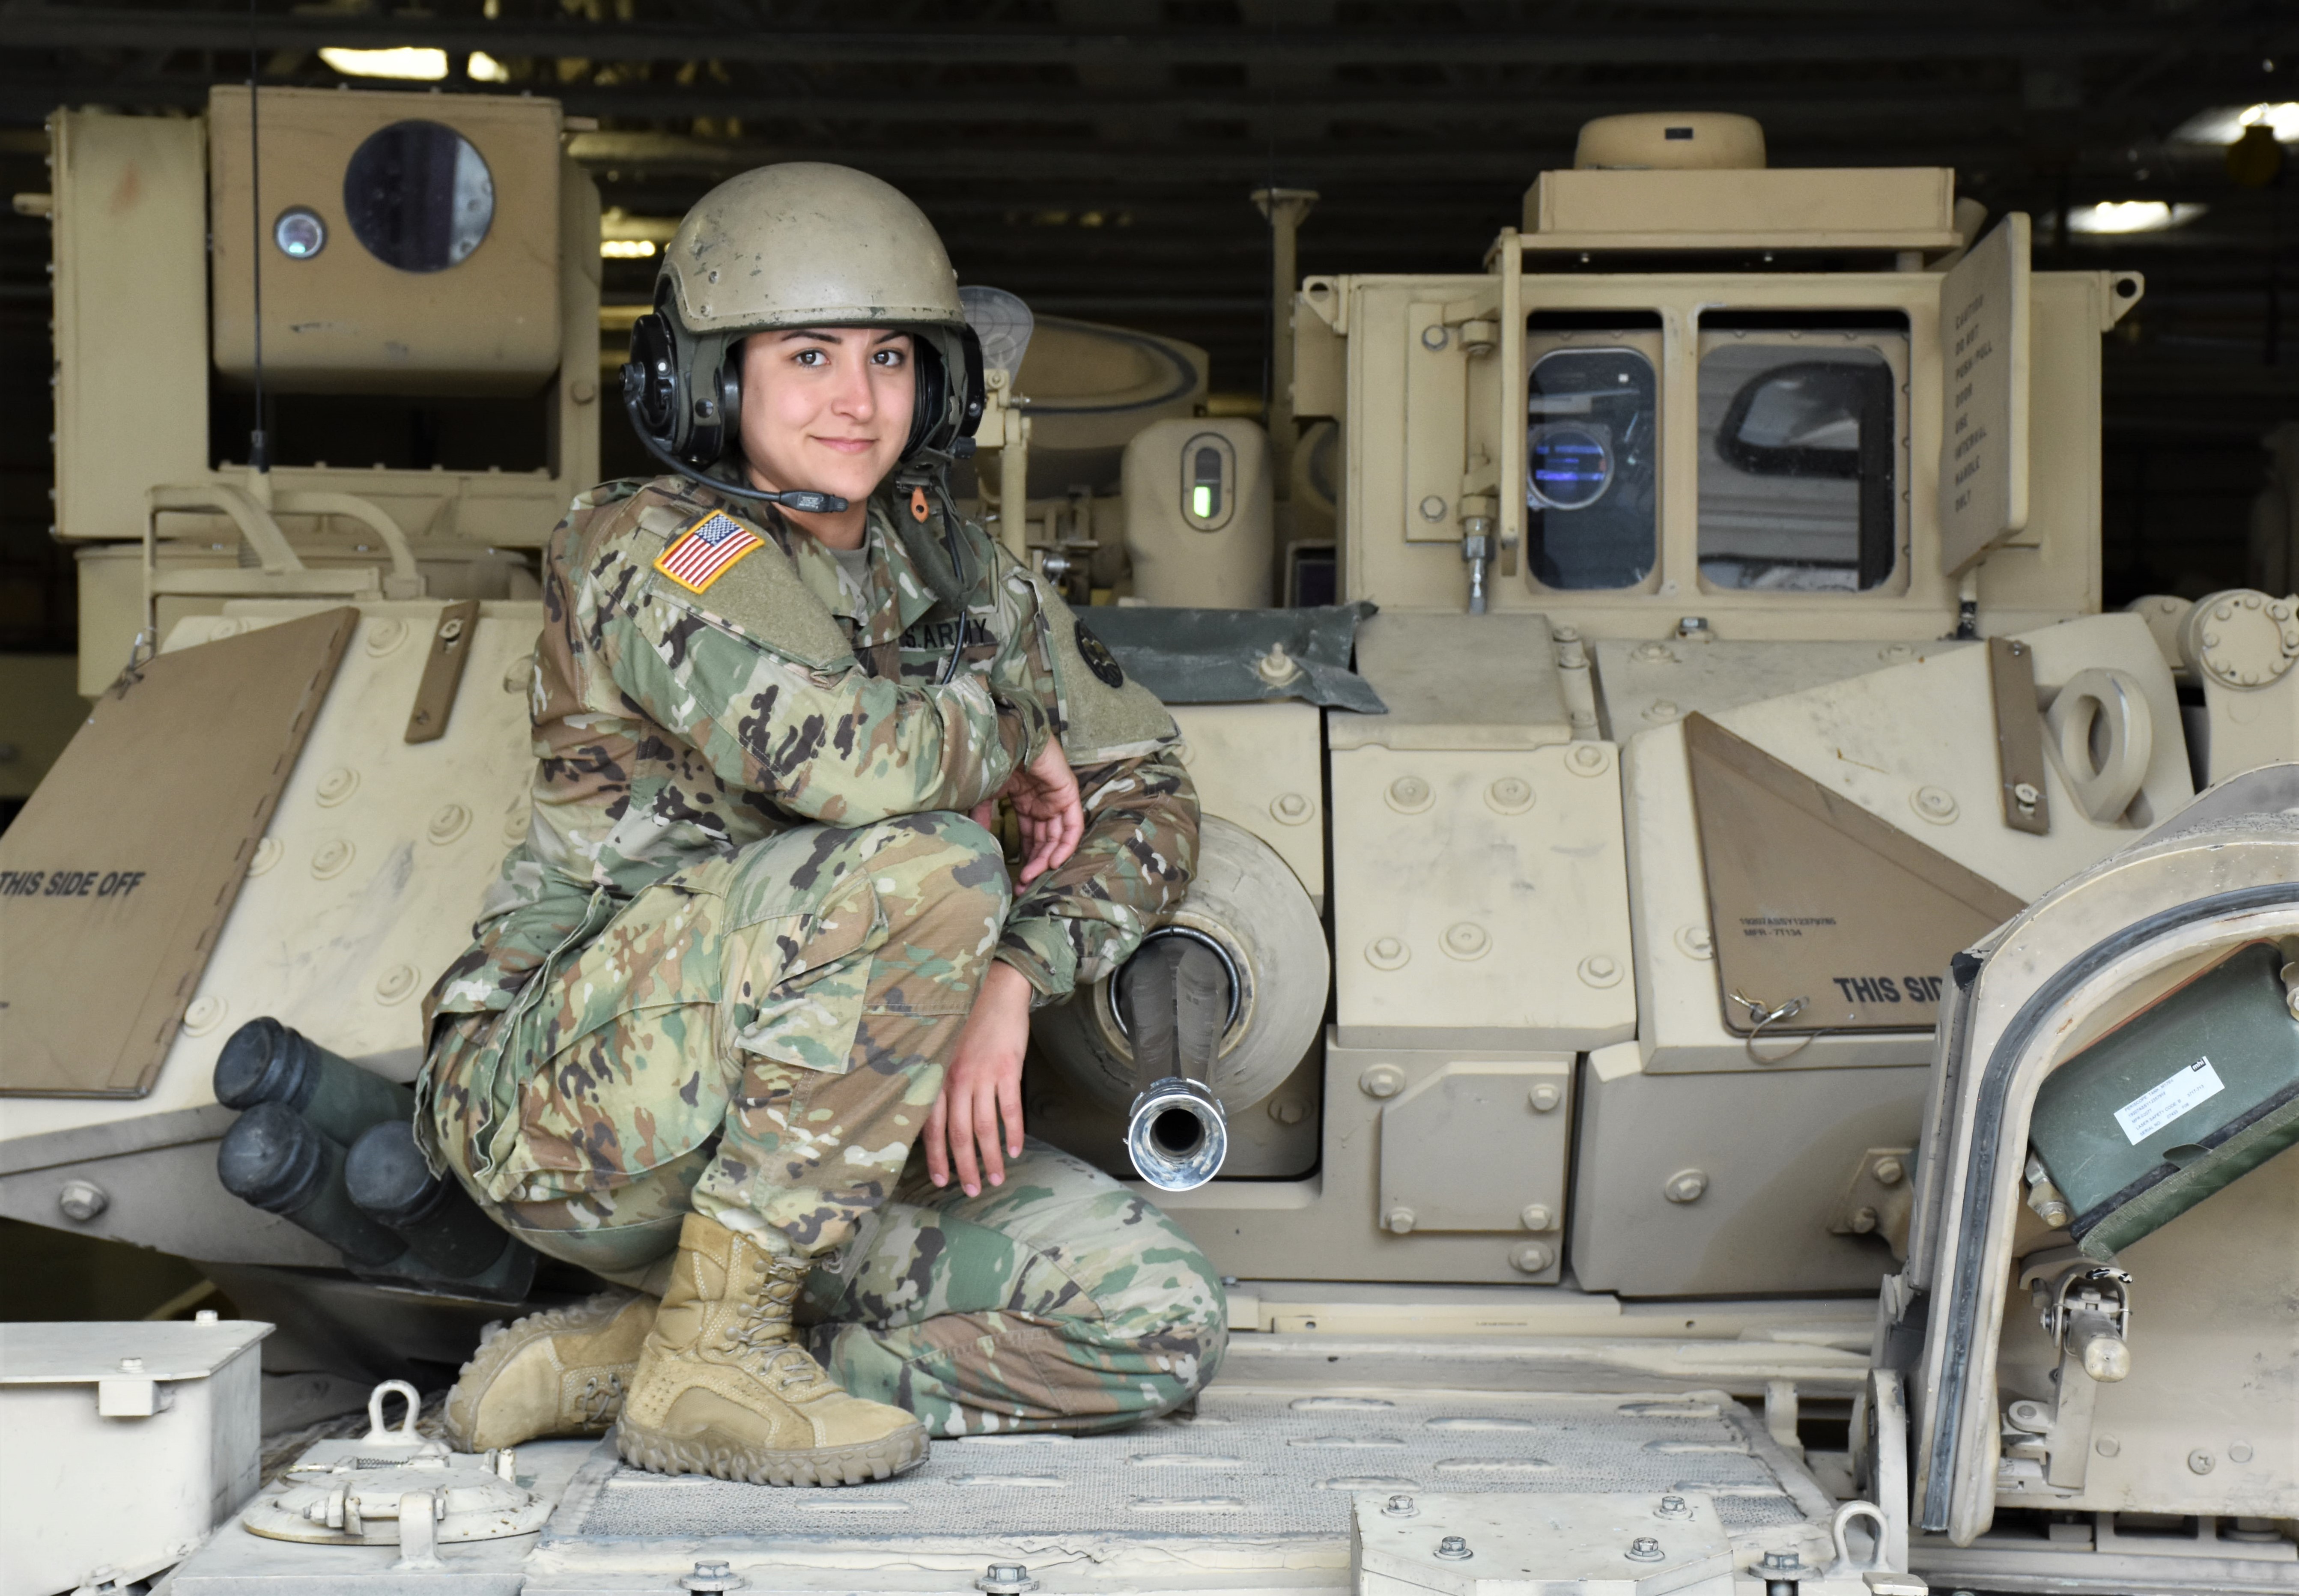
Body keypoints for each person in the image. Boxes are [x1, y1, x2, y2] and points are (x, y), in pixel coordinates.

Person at [413, 162, 1225, 1487]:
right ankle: (719, 1349)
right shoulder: (655, 550)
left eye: (892, 356)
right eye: (807, 356)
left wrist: (1015, 976)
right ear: (710, 381)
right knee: (936, 860)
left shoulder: (956, 567)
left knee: (1154, 1322)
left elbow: (1149, 792)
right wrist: (1025, 729)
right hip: (577, 1108)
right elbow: (862, 767)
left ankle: (665, 1354)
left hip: (827, 1150)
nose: (858, 401)